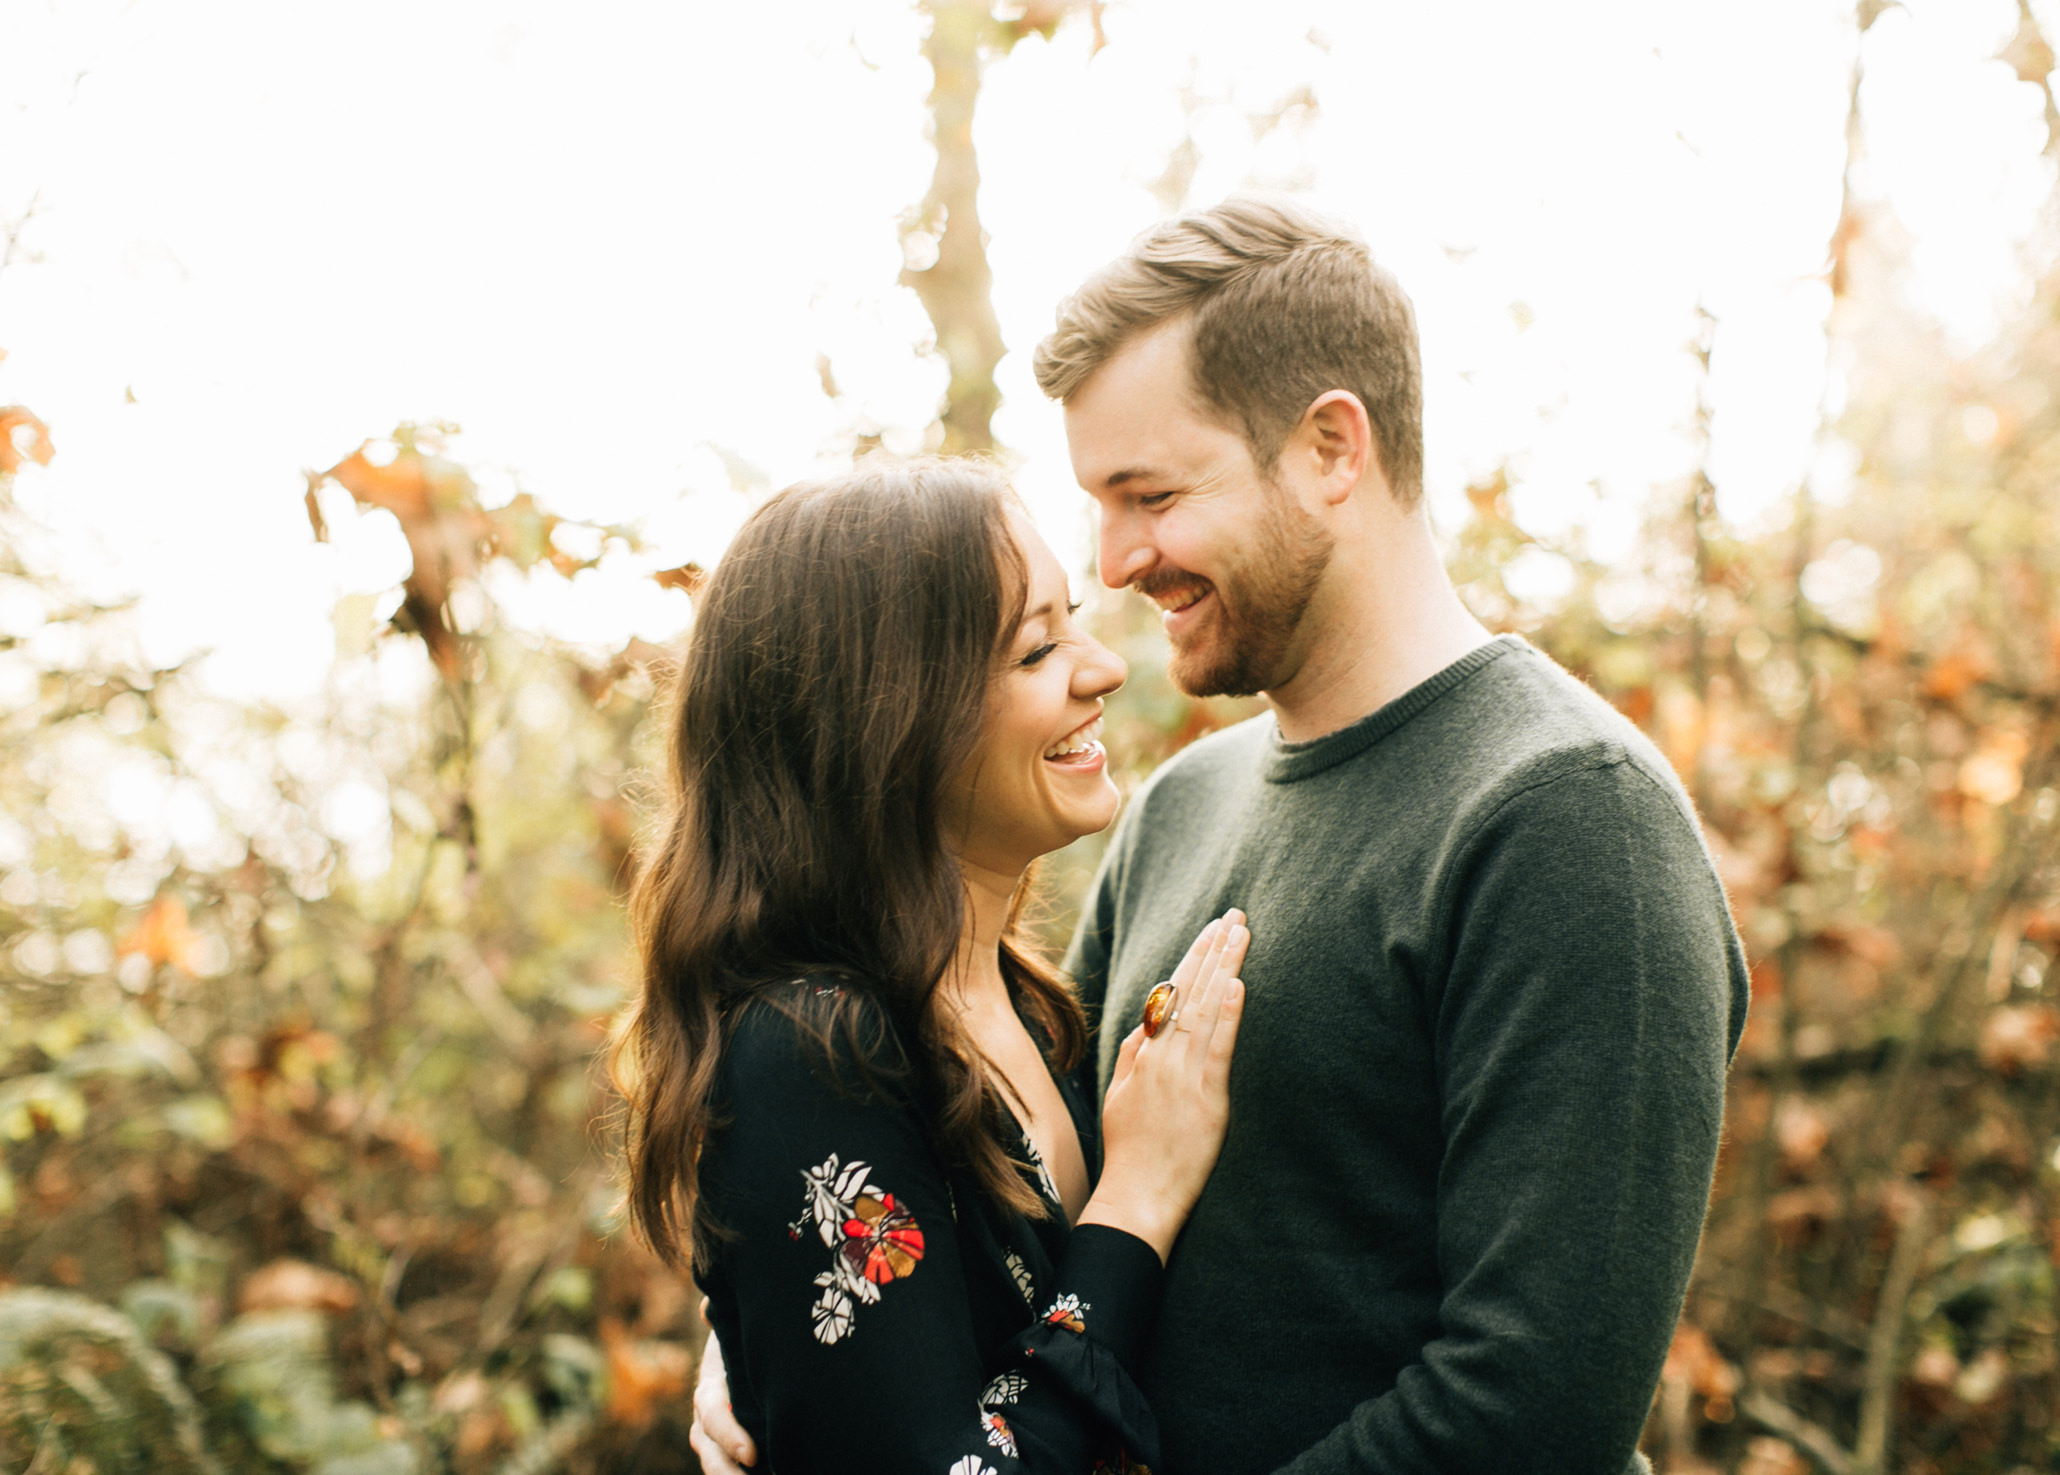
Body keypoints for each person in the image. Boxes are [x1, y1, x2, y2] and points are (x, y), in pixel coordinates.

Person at [694, 196, 1751, 1475]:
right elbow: (995, 1176)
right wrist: (776, 1315)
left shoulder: (1568, 820)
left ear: (1327, 449)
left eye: (1148, 495)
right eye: (1096, 503)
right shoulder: (1179, 806)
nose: (1118, 560)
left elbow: (1525, 1412)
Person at [613, 457, 1251, 1474]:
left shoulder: (1024, 1002)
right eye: (1037, 647)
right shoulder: (811, 1045)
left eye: (1071, 621)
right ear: (890, 721)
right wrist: (1137, 1198)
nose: (1101, 667)